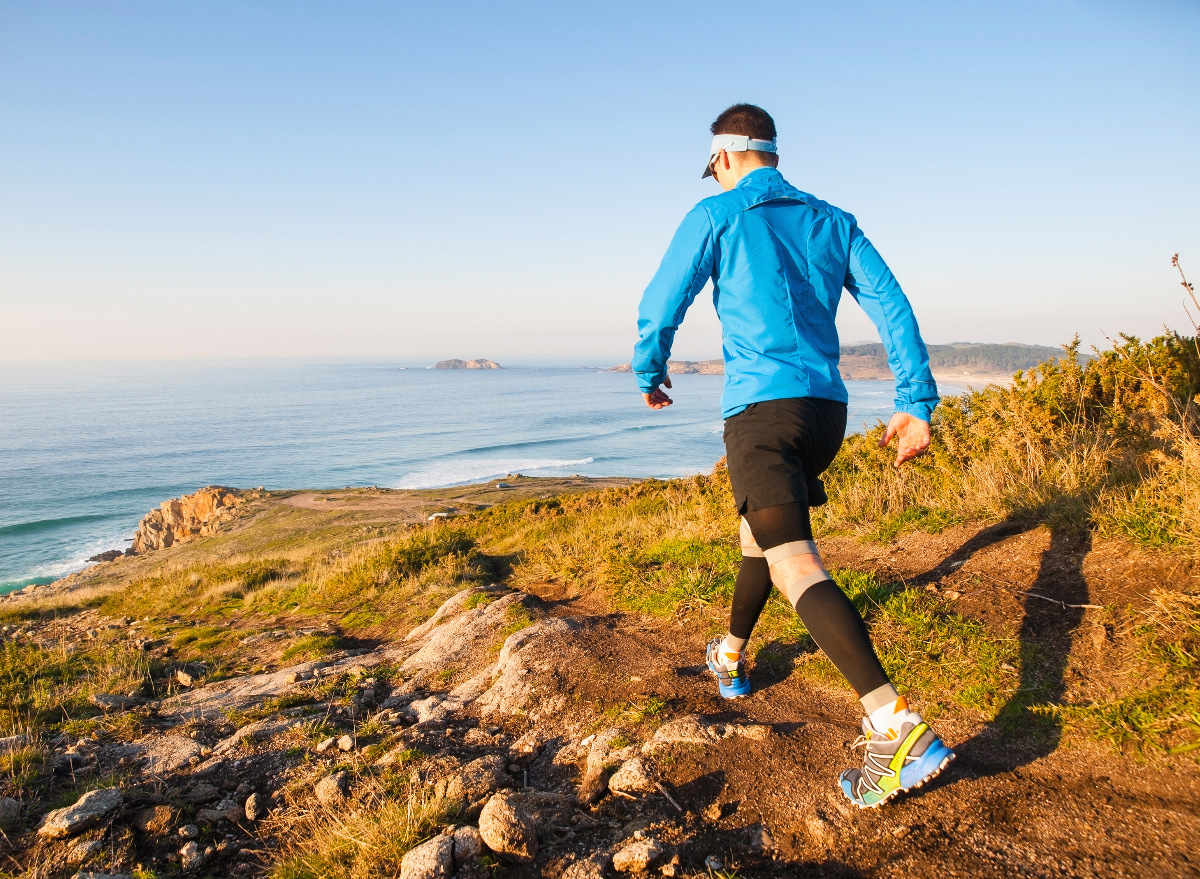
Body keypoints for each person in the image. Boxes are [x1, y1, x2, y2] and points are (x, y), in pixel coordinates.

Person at [632, 104, 954, 809]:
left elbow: (664, 299)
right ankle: (731, 651)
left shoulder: (714, 214)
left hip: (761, 415)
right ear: (771, 153)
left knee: (794, 560)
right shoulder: (834, 220)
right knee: (762, 531)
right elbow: (892, 306)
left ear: (722, 158)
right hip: (824, 415)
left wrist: (648, 365)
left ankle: (894, 726)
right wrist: (917, 401)